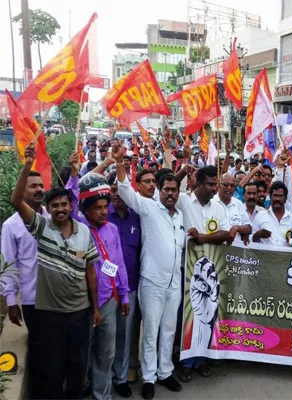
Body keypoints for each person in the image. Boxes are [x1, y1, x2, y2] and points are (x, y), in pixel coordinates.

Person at [10, 143, 101, 399]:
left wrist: (94, 308)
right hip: (49, 315)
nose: (60, 209)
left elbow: (90, 272)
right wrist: (27, 165)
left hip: (79, 314)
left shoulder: (84, 232)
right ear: (47, 209)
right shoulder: (40, 227)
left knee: (76, 369)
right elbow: (16, 200)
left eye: (64, 204)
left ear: (71, 206)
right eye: (55, 206)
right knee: (52, 371)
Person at [114, 142, 185, 399]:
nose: (169, 193)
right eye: (165, 189)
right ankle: (149, 377)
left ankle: (166, 372)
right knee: (151, 330)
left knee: (168, 329)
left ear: (178, 193)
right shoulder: (148, 208)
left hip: (174, 282)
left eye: (173, 189)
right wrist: (120, 163)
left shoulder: (180, 216)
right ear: (159, 192)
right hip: (152, 281)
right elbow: (124, 190)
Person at [78, 173, 130, 400]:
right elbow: (69, 199)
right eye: (97, 207)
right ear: (85, 210)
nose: (102, 211)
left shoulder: (112, 230)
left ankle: (102, 395)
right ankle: (81, 387)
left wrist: (124, 294)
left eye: (104, 206)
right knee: (82, 351)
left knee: (106, 353)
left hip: (108, 301)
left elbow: (118, 264)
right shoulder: (78, 227)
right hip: (83, 302)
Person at [176, 166, 231, 382]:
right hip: (187, 272)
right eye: (209, 184)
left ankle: (201, 360)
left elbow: (225, 234)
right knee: (188, 318)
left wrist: (203, 238)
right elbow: (165, 187)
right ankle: (186, 362)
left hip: (210, 274)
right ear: (197, 184)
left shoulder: (217, 207)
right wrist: (181, 171)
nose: (213, 188)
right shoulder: (183, 201)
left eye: (214, 184)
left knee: (208, 317)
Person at [107, 173, 143, 395]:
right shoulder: (102, 216)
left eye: (121, 189)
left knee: (125, 335)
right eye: (112, 189)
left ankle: (120, 378)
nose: (116, 193)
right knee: (104, 337)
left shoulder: (137, 216)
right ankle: (99, 377)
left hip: (131, 287)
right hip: (106, 291)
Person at [252, 182, 292, 246]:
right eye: (275, 195)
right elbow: (251, 241)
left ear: (285, 198)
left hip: (285, 255)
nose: (277, 199)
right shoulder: (260, 216)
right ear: (270, 197)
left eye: (280, 196)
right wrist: (258, 234)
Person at [215, 173, 252, 243]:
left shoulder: (239, 204)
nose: (229, 188)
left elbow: (249, 227)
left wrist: (238, 228)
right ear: (219, 185)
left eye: (232, 186)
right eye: (225, 185)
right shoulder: (211, 202)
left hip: (235, 251)